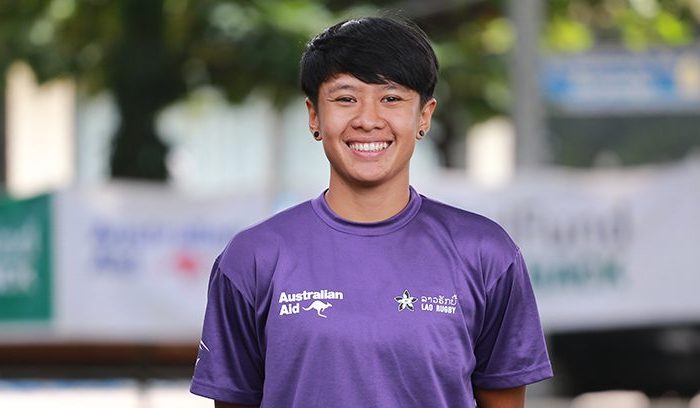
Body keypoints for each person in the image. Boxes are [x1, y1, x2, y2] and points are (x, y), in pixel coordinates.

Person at [190, 16, 553, 408]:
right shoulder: (255, 256)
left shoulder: (485, 253)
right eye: (345, 98)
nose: (368, 120)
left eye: (391, 98)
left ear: (424, 116)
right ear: (314, 116)